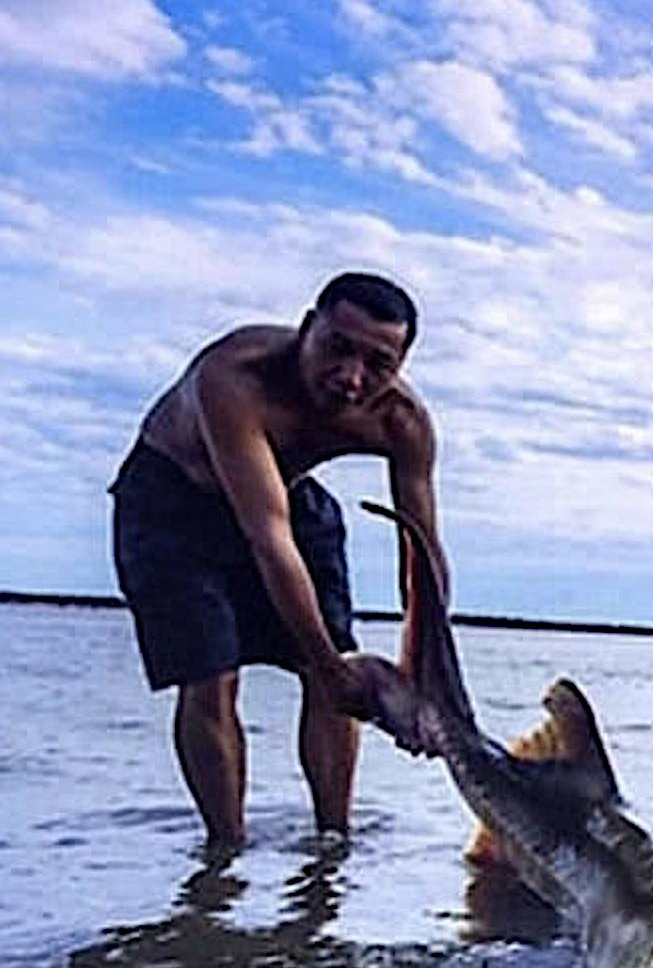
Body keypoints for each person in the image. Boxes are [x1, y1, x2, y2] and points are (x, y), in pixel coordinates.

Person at [110, 272, 447, 851]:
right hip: (172, 503)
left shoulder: (401, 421)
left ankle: (332, 844)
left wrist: (428, 677)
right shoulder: (233, 376)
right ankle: (225, 853)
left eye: (377, 363)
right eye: (337, 348)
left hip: (289, 496)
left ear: (401, 364)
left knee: (334, 661)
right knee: (212, 676)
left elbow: (422, 551)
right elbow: (269, 538)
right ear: (308, 328)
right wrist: (332, 669)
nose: (350, 377)